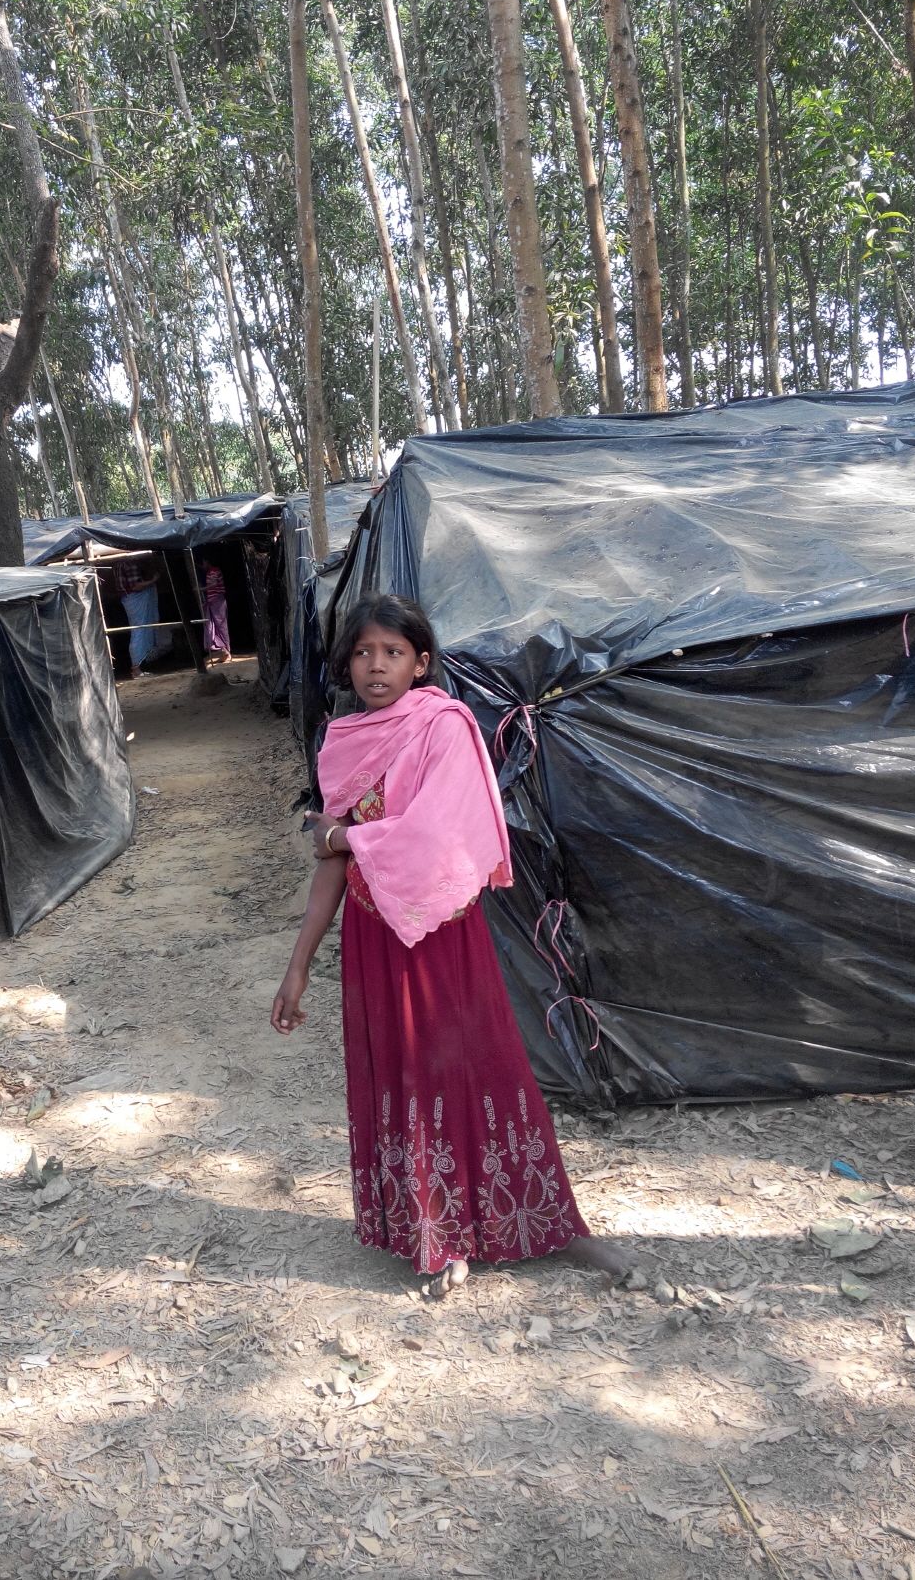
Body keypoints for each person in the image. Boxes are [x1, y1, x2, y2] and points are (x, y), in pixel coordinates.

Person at [271, 592, 631, 1297]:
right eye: (364, 652)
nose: (377, 666)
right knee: (406, 1079)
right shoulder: (343, 742)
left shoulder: (445, 728)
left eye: (393, 653)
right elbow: (331, 868)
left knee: (482, 1067)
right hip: (375, 940)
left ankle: (548, 1220)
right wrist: (299, 967)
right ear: (347, 664)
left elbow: (434, 837)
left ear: (421, 663)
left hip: (443, 936)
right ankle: (439, 1233)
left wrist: (344, 834)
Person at [112, 551, 171, 680]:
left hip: (127, 599)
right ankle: (136, 669)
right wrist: (153, 580)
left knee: (137, 630)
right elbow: (136, 586)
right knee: (139, 631)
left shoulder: (117, 563)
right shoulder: (129, 563)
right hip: (135, 598)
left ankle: (137, 667)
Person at [199, 553, 232, 664]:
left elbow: (214, 584)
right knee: (216, 626)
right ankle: (222, 649)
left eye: (203, 562)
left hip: (217, 601)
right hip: (213, 601)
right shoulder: (211, 571)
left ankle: (227, 651)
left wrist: (201, 589)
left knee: (221, 626)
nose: (203, 564)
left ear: (208, 562)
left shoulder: (214, 571)